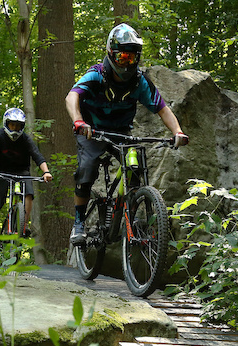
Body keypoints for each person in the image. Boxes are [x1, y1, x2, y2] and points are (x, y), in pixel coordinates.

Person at [64, 23, 189, 245]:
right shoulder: (96, 75)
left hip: (121, 131)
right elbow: (72, 96)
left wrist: (177, 131)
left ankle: (132, 212)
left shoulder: (140, 81)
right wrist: (78, 121)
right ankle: (79, 223)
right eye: (122, 57)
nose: (127, 63)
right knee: (87, 169)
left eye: (132, 58)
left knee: (135, 167)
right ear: (111, 54)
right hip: (92, 129)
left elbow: (161, 108)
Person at [0, 107, 52, 237]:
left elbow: (38, 156)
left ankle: (23, 227)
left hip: (21, 171)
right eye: (12, 125)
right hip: (0, 171)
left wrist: (46, 172)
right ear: (6, 123)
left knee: (28, 193)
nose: (14, 128)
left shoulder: (25, 139)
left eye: (18, 126)